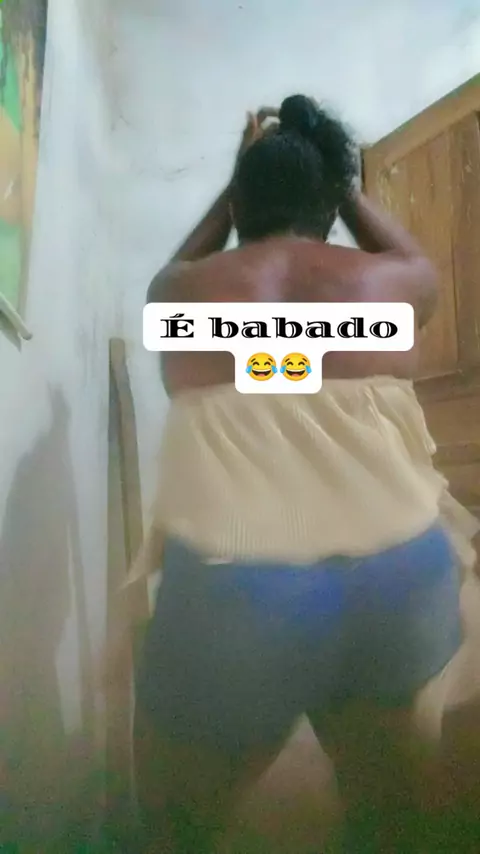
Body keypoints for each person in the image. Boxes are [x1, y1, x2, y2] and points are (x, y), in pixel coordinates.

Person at [130, 96, 479, 853]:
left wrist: (237, 182)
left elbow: (168, 274)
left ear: (241, 203)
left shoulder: (181, 297)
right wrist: (340, 178)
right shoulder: (395, 287)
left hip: (238, 582)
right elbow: (418, 263)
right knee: (392, 824)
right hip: (395, 572)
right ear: (330, 204)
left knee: (176, 829)